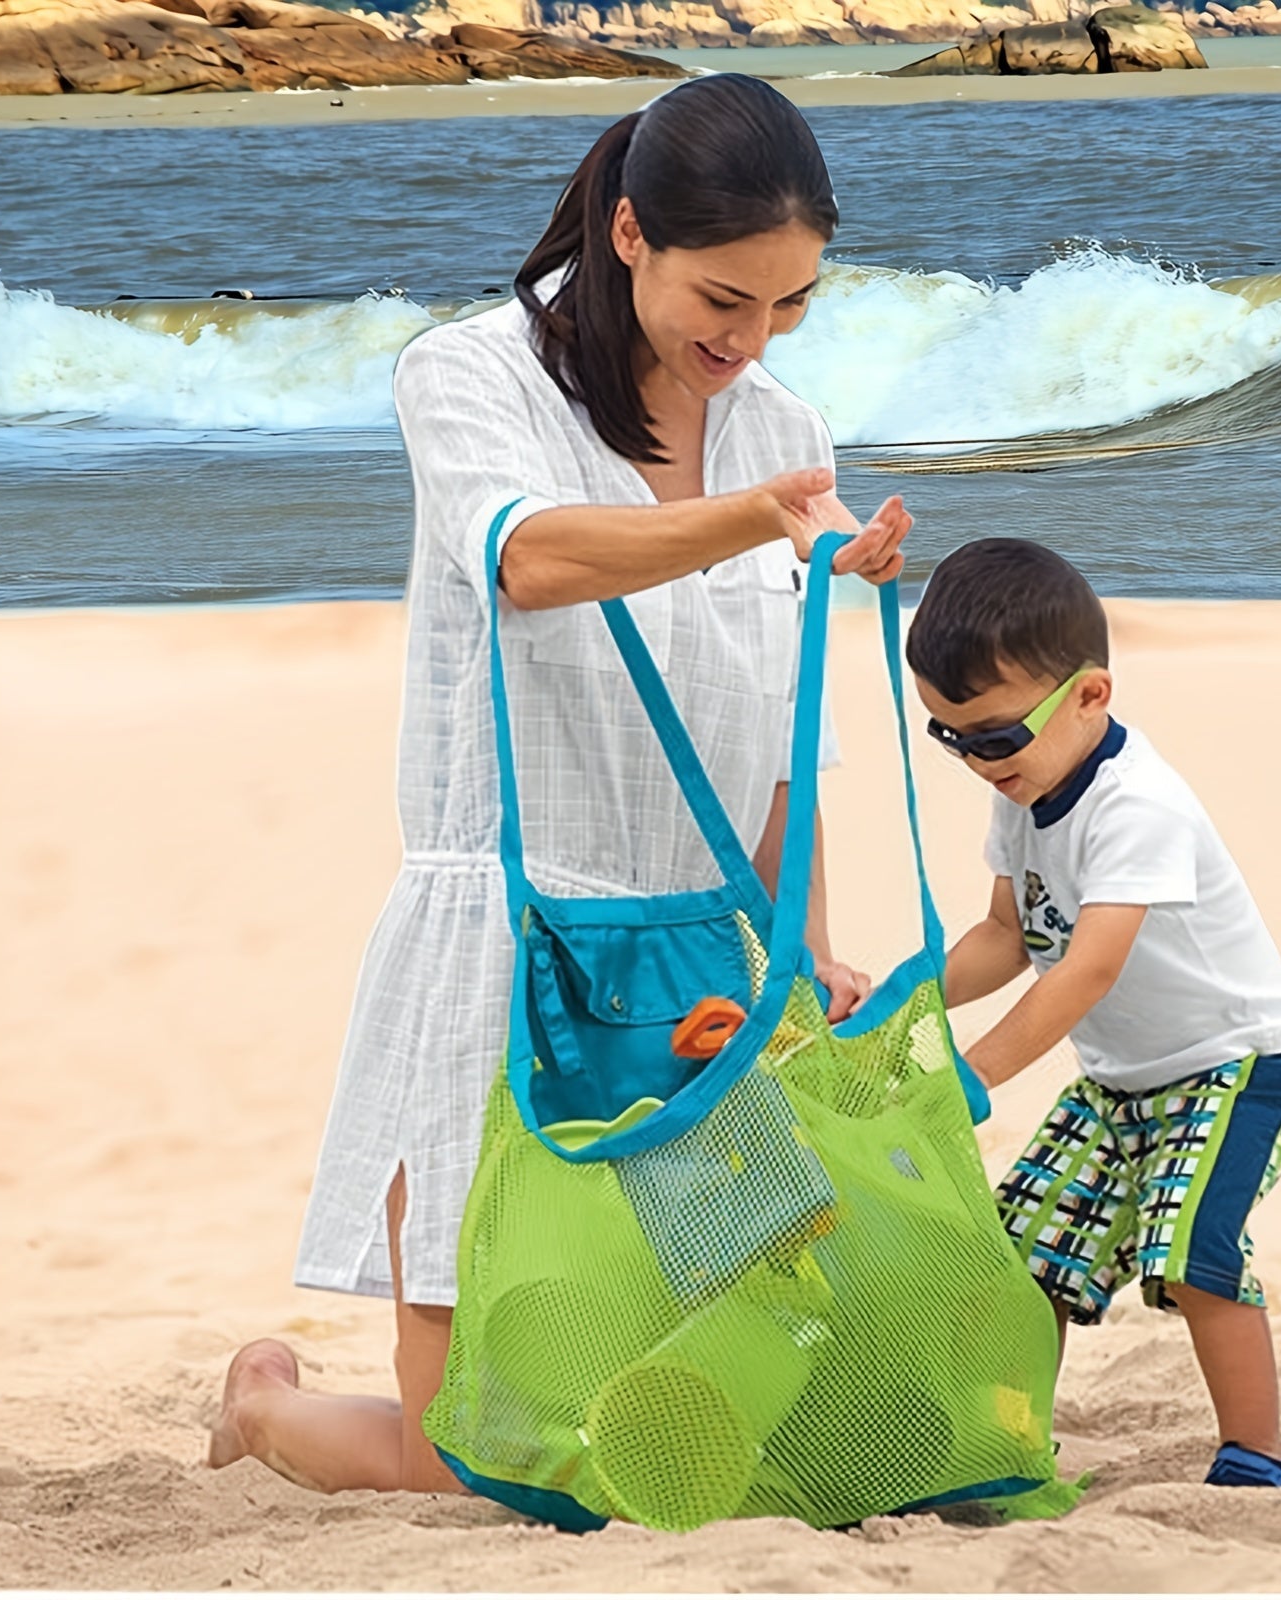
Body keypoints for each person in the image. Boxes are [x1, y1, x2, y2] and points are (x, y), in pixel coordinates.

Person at [208, 74, 912, 1495]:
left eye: (789, 307)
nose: (751, 339)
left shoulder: (782, 429)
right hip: (509, 940)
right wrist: (755, 523)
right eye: (727, 298)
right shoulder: (469, 376)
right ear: (632, 232)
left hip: (707, 968)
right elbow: (528, 560)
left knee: (732, 1411)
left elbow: (787, 734)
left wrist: (806, 941)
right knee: (476, 1455)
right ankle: (267, 1404)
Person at [907, 538, 1281, 1490]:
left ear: (1091, 694)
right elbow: (1007, 936)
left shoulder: (1139, 806)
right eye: (949, 736)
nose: (974, 760)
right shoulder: (1026, 789)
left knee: (1192, 1254)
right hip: (1122, 1084)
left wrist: (972, 1076)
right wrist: (906, 996)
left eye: (995, 735)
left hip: (1239, 1071)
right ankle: (1010, 1444)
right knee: (1025, 1256)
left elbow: (1085, 970)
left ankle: (1260, 1455)